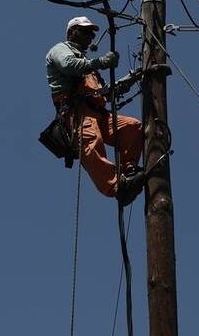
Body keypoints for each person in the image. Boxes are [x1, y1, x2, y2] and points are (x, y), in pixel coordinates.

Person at [46, 15, 147, 205]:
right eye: (86, 32)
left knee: (132, 127)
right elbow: (68, 65)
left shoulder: (89, 67)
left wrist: (133, 78)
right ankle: (117, 187)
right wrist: (100, 61)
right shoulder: (60, 50)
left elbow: (104, 93)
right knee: (92, 143)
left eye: (91, 34)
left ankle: (129, 170)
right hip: (78, 114)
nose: (90, 37)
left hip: (100, 115)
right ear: (72, 32)